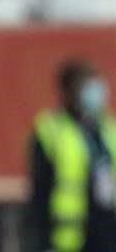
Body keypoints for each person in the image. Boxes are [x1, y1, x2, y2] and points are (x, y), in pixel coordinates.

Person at [29, 60, 116, 252]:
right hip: (68, 235)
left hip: (108, 232)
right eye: (87, 86)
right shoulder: (51, 131)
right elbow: (40, 191)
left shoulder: (108, 128)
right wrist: (43, 240)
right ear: (69, 91)